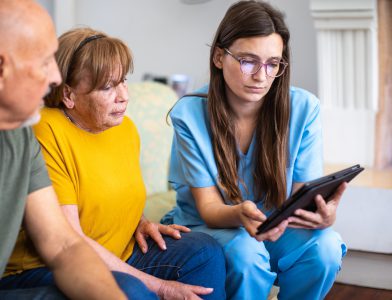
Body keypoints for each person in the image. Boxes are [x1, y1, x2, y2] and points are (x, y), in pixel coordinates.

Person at [3, 26, 226, 300]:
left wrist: (139, 221)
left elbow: (108, 193)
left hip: (117, 251)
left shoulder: (124, 128)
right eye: (107, 87)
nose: (123, 96)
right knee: (130, 290)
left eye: (123, 81)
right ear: (68, 95)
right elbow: (67, 238)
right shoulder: (46, 130)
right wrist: (161, 287)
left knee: (204, 253)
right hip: (47, 267)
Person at [161, 1, 348, 299]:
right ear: (219, 57)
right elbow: (209, 210)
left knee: (324, 247)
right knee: (246, 254)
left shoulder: (304, 108)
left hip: (276, 225)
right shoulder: (190, 114)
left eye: (273, 63)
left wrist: (322, 216)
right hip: (215, 225)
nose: (261, 76)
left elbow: (301, 198)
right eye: (248, 61)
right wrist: (240, 213)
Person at [0, 0, 153, 299]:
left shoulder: (20, 136)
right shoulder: (42, 130)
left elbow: (64, 244)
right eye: (44, 62)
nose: (55, 79)